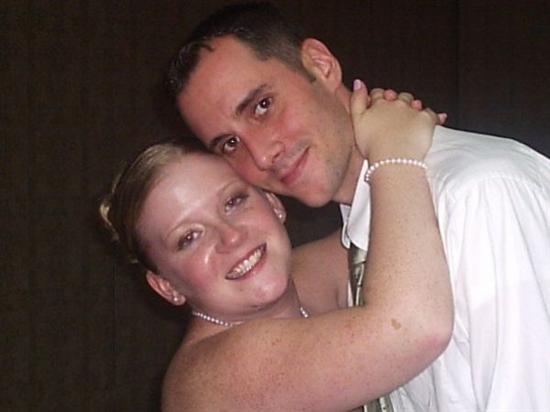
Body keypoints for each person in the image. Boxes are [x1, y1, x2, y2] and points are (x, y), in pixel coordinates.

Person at [167, 2, 550, 411]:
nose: (261, 155)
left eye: (262, 105)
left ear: (320, 65)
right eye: (230, 144)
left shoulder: (479, 196)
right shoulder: (365, 229)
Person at [99, 92, 452, 411]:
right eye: (189, 238)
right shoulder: (214, 377)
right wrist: (394, 152)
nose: (231, 237)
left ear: (272, 203)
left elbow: (395, 231)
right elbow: (415, 328)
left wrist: (377, 127)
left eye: (234, 202)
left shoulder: (303, 278)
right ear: (167, 286)